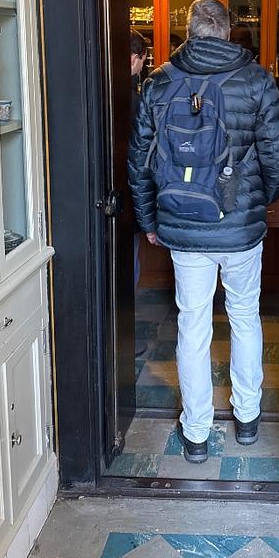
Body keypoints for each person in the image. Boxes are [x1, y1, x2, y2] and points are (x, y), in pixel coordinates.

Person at [128, 0, 279, 463]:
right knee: (244, 316)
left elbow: (138, 161)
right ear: (226, 31)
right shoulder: (256, 80)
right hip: (239, 230)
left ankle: (197, 433)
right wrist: (257, 200)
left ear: (189, 31)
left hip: (183, 228)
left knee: (192, 324)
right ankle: (247, 418)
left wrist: (149, 221)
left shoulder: (159, 82)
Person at [130, 29, 149, 356]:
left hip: (114, 192)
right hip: (129, 193)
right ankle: (125, 333)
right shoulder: (135, 98)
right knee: (128, 263)